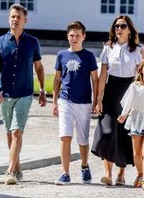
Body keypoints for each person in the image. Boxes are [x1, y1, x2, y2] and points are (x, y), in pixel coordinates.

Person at [0, 3, 47, 185]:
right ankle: (19, 167)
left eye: (18, 17)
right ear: (9, 19)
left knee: (16, 132)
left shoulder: (32, 42)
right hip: (4, 95)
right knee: (9, 133)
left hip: (25, 94)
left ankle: (9, 171)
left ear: (25, 20)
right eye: (12, 17)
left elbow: (39, 67)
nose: (15, 20)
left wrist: (43, 91)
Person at [91, 15, 144, 186]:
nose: (118, 29)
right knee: (106, 132)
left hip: (129, 92)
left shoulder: (138, 50)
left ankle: (121, 173)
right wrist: (98, 99)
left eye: (122, 26)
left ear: (129, 30)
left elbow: (141, 77)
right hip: (111, 91)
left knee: (124, 135)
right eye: (116, 27)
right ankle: (108, 173)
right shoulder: (108, 48)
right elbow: (103, 75)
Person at [53, 21, 98, 185]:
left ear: (83, 37)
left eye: (78, 35)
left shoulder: (89, 56)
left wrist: (95, 101)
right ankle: (65, 173)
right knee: (65, 136)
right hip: (65, 100)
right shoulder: (61, 55)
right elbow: (58, 78)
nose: (74, 38)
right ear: (67, 36)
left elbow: (95, 79)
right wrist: (55, 101)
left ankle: (84, 166)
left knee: (83, 139)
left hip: (84, 102)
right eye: (72, 35)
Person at [117, 57, 144, 190]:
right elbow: (128, 102)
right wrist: (124, 115)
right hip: (136, 118)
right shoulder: (135, 86)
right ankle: (140, 174)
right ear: (141, 70)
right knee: (137, 152)